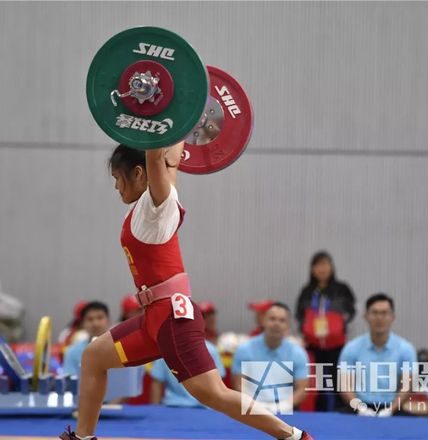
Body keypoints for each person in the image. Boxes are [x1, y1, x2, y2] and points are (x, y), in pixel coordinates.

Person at [60, 143, 312, 440]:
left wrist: (157, 122)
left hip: (173, 320)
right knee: (93, 357)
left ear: (139, 173)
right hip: (153, 320)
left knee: (213, 394)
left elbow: (157, 156)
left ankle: (294, 437)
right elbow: (171, 161)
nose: (116, 186)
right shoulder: (147, 207)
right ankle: (83, 437)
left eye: (118, 177)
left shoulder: (157, 207)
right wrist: (179, 116)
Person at [295, 251, 355, 411]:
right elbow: (299, 313)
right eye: (318, 265)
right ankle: (319, 413)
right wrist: (305, 328)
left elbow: (351, 311)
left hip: (336, 345)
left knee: (338, 382)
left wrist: (339, 323)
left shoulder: (342, 289)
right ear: (312, 269)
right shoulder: (307, 291)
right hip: (314, 346)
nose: (322, 269)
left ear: (331, 267)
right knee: (319, 383)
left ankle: (342, 412)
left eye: (325, 264)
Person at [338, 293, 416, 416]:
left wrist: (391, 409)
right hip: (359, 407)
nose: (379, 318)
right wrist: (360, 408)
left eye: (384, 313)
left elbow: (407, 387)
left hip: (392, 407)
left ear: (392, 317)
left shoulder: (405, 349)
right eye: (374, 313)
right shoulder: (351, 348)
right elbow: (345, 386)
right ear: (366, 316)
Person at [231, 302, 310, 410]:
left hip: (287, 410)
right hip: (250, 410)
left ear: (288, 325)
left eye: (282, 320)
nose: (276, 323)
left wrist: (283, 406)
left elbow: (302, 389)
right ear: (263, 321)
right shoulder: (244, 349)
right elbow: (238, 385)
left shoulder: (298, 353)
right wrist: (255, 406)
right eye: (272, 319)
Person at [150, 340, 225, 407]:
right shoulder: (210, 349)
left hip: (199, 407)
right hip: (175, 405)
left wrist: (155, 410)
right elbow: (219, 385)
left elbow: (157, 383)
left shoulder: (166, 349)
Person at [63, 301, 111, 376]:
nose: (95, 323)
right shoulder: (72, 352)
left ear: (108, 321)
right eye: (90, 319)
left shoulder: (119, 347)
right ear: (82, 324)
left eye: (100, 317)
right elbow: (69, 381)